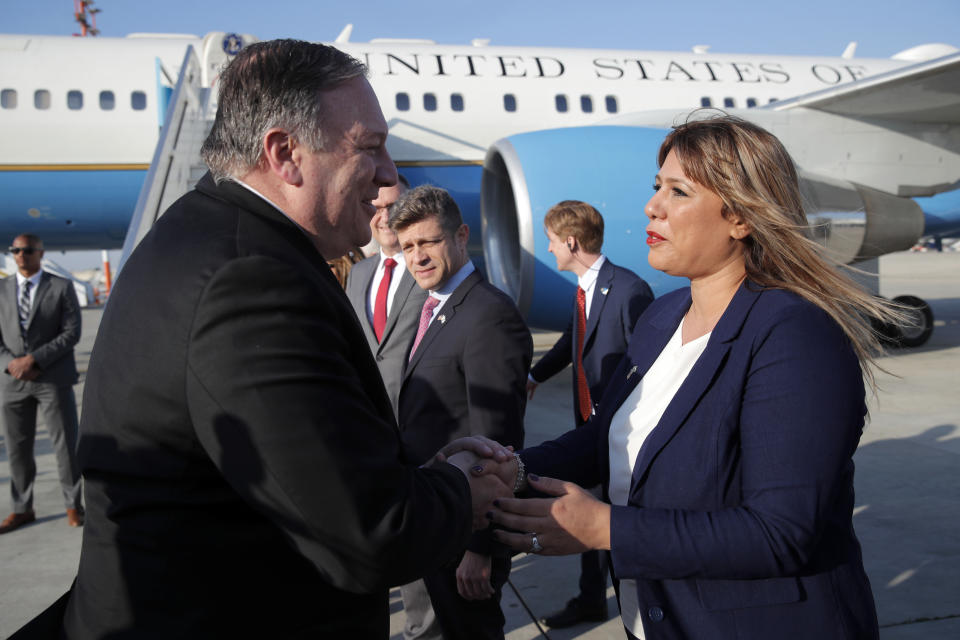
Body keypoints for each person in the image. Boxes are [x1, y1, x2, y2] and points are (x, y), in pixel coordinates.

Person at [48, 40, 512, 639]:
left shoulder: (203, 236)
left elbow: (302, 471)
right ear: (286, 153)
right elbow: (370, 535)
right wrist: (461, 490)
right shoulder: (253, 279)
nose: (391, 173)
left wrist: (414, 477)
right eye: (369, 147)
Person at [486, 115, 893, 639]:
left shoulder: (794, 333)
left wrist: (604, 528)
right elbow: (608, 437)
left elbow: (780, 531)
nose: (652, 206)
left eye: (678, 191)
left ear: (741, 219)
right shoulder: (663, 315)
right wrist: (512, 469)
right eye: (657, 187)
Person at [391, 185, 533, 640]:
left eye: (428, 242)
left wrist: (482, 547)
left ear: (460, 236)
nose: (418, 257)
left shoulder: (488, 314)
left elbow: (499, 443)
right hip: (437, 516)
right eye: (409, 247)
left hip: (465, 530)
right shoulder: (435, 307)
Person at [526, 200, 654, 628]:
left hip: (621, 428)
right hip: (589, 424)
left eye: (550, 242)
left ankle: (640, 609)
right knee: (586, 503)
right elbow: (572, 339)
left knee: (615, 513)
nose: (548, 251)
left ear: (570, 242)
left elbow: (646, 364)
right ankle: (591, 601)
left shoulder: (629, 289)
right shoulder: (584, 289)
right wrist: (535, 376)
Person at [0, 234, 83, 534]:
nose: (21, 255)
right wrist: (13, 364)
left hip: (51, 378)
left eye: (28, 250)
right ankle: (22, 509)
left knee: (65, 446)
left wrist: (34, 360)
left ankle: (74, 505)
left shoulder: (60, 287)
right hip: (12, 382)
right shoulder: (1, 289)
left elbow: (71, 332)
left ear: (40, 253)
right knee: (17, 448)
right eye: (16, 251)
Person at [346, 173, 428, 418]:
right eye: (377, 208)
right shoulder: (358, 274)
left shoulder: (430, 270)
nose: (385, 217)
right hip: (368, 417)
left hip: (422, 417)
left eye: (394, 207)